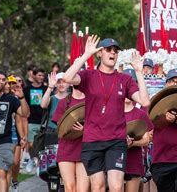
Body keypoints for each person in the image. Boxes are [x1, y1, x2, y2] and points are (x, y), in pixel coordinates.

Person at [63, 36, 150, 192]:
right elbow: (67, 78)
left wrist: (139, 72)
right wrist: (85, 55)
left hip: (116, 141)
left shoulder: (125, 79)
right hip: (92, 140)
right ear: (100, 53)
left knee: (116, 186)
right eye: (108, 50)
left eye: (115, 51)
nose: (113, 53)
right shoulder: (89, 76)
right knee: (98, 187)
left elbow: (144, 102)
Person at [52, 86, 90, 192]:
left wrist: (85, 129)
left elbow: (99, 125)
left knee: (82, 189)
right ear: (71, 83)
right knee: (69, 188)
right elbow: (59, 128)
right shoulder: (63, 102)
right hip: (66, 149)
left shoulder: (92, 101)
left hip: (85, 149)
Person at [122, 69, 153, 192]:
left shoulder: (140, 113)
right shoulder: (112, 111)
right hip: (114, 159)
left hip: (134, 161)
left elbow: (147, 139)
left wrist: (133, 143)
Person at [6, 75, 29, 192]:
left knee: (15, 163)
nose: (11, 86)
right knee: (9, 164)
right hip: (4, 134)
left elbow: (22, 118)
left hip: (15, 132)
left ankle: (14, 181)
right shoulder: (2, 97)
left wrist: (24, 136)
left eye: (13, 83)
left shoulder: (17, 99)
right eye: (9, 83)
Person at [23, 67, 47, 165]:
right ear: (33, 75)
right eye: (39, 75)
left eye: (43, 75)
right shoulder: (27, 89)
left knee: (40, 143)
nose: (41, 77)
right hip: (31, 120)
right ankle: (32, 158)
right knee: (31, 144)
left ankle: (37, 161)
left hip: (43, 121)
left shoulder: (46, 89)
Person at [41, 72, 69, 146]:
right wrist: (50, 87)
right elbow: (43, 105)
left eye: (64, 82)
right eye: (58, 82)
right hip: (51, 134)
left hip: (68, 134)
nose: (61, 84)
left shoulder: (73, 98)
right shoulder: (52, 98)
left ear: (69, 83)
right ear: (56, 84)